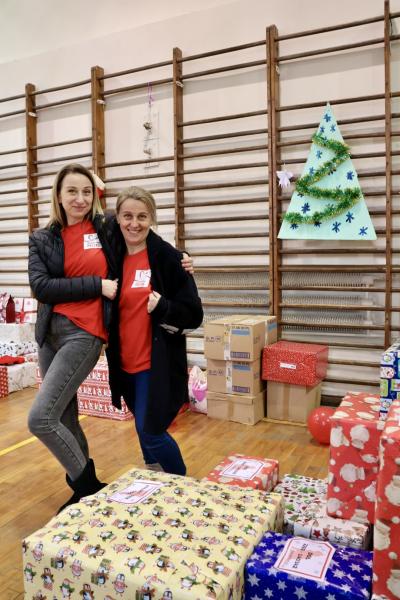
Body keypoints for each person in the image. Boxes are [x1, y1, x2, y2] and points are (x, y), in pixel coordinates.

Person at [28, 164, 194, 511]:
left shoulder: (104, 229)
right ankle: (91, 487)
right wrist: (97, 285)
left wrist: (181, 259)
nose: (79, 199)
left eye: (86, 192)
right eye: (71, 191)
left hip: (89, 335)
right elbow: (41, 287)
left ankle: (93, 488)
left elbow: (143, 232)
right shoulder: (44, 238)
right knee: (65, 417)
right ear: (57, 195)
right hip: (58, 336)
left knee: (42, 418)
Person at [106, 186, 203, 476]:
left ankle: (182, 484)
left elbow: (194, 314)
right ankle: (157, 480)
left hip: (155, 363)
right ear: (118, 218)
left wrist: (163, 308)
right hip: (124, 363)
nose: (134, 223)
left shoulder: (168, 258)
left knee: (151, 431)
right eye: (127, 216)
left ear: (152, 219)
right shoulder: (112, 254)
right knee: (143, 429)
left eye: (142, 216)